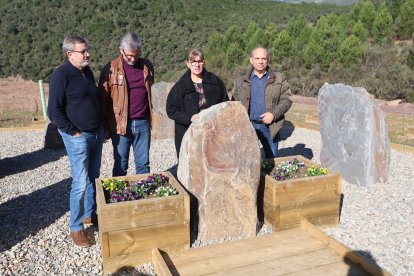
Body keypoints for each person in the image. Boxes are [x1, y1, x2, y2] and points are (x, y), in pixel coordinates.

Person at [48, 35, 104, 247]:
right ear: (70, 54)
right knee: (80, 182)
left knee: (93, 176)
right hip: (78, 136)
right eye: (83, 51)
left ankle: (90, 214)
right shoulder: (61, 75)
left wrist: (101, 126)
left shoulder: (86, 71)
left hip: (96, 133)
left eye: (87, 50)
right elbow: (54, 111)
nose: (88, 54)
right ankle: (76, 227)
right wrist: (74, 133)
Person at [99, 32, 154, 176]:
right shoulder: (110, 69)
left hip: (143, 122)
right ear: (120, 50)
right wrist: (104, 127)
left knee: (143, 164)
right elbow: (102, 100)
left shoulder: (147, 66)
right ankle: (119, 198)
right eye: (129, 55)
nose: (133, 59)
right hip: (120, 124)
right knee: (121, 164)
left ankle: (143, 196)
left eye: (136, 54)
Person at [232, 46, 292, 158]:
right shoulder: (240, 81)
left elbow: (287, 99)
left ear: (268, 59)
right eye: (257, 58)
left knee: (271, 161)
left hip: (270, 126)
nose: (260, 62)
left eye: (263, 58)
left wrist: (273, 114)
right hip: (248, 126)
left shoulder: (279, 78)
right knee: (247, 160)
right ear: (251, 60)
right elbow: (233, 103)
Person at [166, 49, 229, 156]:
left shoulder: (215, 81)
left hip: (213, 131)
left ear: (204, 62)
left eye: (199, 61)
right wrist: (190, 117)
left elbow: (225, 103)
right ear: (188, 64)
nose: (197, 65)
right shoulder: (180, 86)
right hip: (188, 131)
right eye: (193, 62)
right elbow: (171, 109)